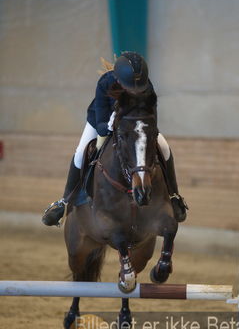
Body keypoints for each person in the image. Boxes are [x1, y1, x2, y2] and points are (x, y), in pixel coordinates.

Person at [42, 51, 188, 227]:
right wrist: (110, 126)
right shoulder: (105, 83)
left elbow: (151, 116)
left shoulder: (146, 86)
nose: (135, 91)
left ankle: (173, 196)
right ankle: (64, 202)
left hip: (134, 127)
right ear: (118, 79)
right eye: (130, 87)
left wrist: (148, 132)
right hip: (101, 122)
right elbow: (101, 121)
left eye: (138, 88)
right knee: (81, 153)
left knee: (164, 148)